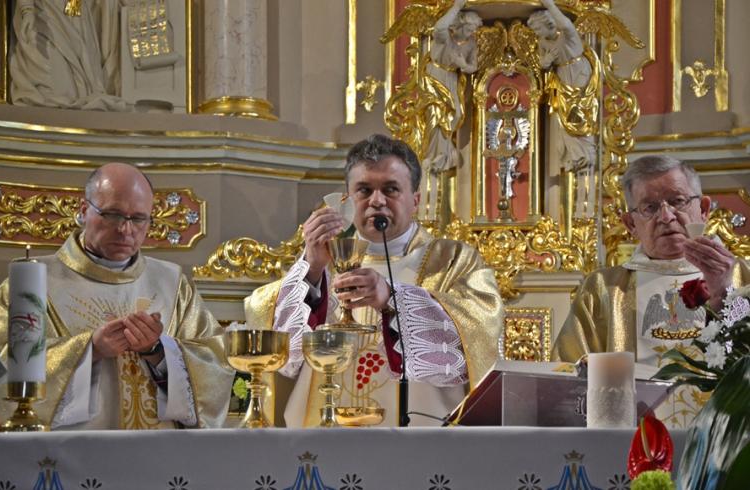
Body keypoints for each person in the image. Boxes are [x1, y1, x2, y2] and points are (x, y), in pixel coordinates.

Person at [245, 134, 503, 427]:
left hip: (421, 433)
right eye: (364, 190)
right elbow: (283, 357)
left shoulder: (454, 259)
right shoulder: (324, 258)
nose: (376, 201)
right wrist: (311, 270)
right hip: (326, 433)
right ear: (347, 199)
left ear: (415, 200)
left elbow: (480, 338)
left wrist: (392, 299)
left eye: (391, 189)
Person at [0, 163, 233, 429]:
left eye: (138, 218)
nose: (125, 229)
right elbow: (0, 369)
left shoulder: (173, 285)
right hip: (69, 450)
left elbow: (215, 366)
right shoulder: (31, 284)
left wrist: (158, 352)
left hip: (158, 450)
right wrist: (88, 350)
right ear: (84, 211)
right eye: (113, 215)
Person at [552, 155, 750, 427]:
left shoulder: (742, 276)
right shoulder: (605, 289)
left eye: (678, 201)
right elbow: (566, 375)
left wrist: (725, 294)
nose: (666, 217)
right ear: (631, 224)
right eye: (650, 207)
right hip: (629, 442)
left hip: (728, 438)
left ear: (704, 209)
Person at [528, 0, 597, 218]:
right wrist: (546, 61)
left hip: (577, 77)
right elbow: (543, 63)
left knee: (579, 126)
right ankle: (573, 162)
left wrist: (550, 5)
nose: (538, 34)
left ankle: (583, 167)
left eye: (539, 29)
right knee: (563, 130)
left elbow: (566, 24)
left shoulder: (567, 36)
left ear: (549, 23)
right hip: (562, 82)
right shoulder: (543, 42)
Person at [418, 0, 481, 221]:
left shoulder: (470, 43)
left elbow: (473, 66)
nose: (472, 32)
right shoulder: (445, 37)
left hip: (452, 80)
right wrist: (456, 6)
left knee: (455, 118)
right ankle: (435, 157)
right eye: (469, 28)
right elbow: (439, 27)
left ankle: (444, 153)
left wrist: (463, 65)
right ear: (460, 24)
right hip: (436, 78)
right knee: (436, 119)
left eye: (474, 29)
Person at [9, 0, 126, 110]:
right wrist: (27, 9)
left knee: (81, 59)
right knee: (50, 72)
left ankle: (79, 94)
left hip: (75, 12)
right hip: (43, 13)